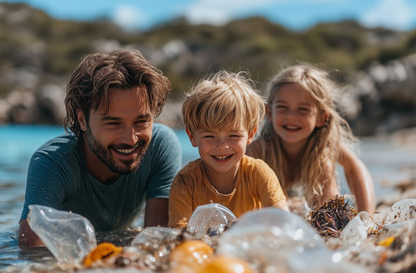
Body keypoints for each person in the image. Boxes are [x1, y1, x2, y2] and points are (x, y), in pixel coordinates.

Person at [18, 49, 182, 246]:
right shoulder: (53, 164)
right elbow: (32, 253)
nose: (130, 140)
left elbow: (155, 241)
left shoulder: (160, 147)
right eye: (113, 123)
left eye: (141, 122)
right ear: (82, 120)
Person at [246, 64, 375, 215]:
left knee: (324, 163)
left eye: (303, 109)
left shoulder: (324, 144)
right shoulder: (257, 150)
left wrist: (367, 217)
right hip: (273, 197)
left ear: (322, 118)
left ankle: (324, 216)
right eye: (282, 107)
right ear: (269, 112)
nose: (291, 116)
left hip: (315, 175)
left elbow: (355, 168)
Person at [168, 71, 289, 228]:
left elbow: (283, 220)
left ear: (251, 134)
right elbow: (179, 237)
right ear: (192, 137)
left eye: (233, 136)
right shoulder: (185, 183)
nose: (222, 146)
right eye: (209, 137)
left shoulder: (258, 173)